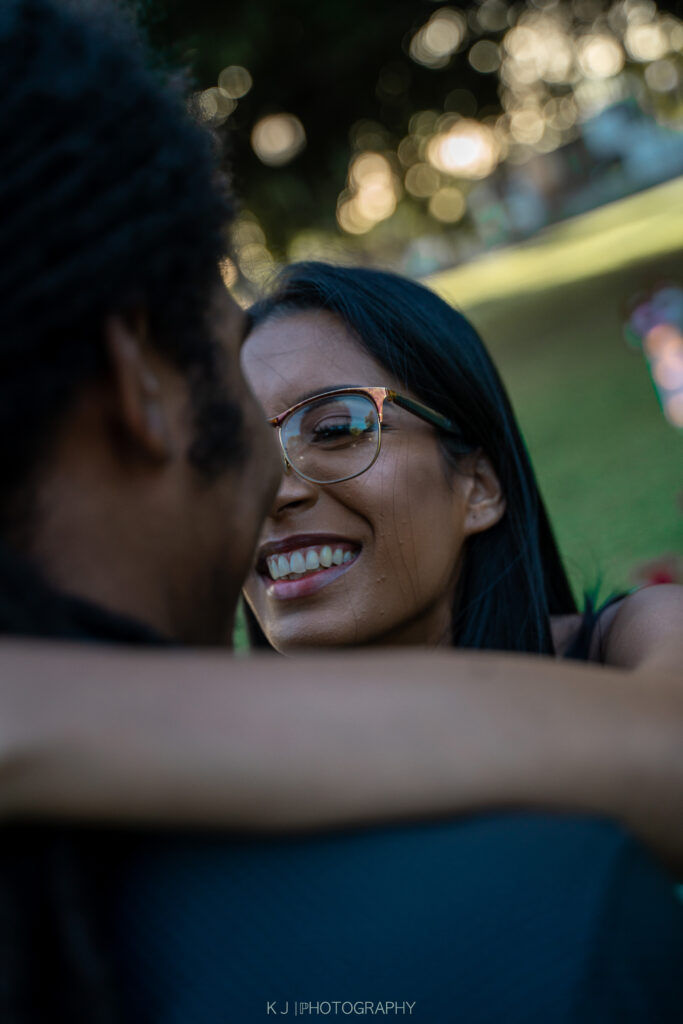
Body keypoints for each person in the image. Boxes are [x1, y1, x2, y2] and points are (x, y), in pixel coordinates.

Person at [1, 1, 682, 1021]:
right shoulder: (538, 919)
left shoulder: (625, 645)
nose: (274, 485)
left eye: (332, 426)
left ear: (479, 481)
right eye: (246, 412)